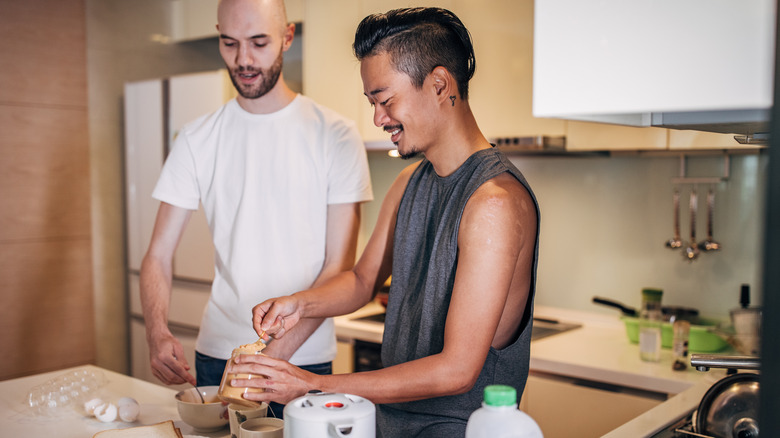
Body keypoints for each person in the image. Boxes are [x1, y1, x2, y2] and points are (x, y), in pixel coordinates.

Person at [229, 7, 540, 436]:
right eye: (372, 103)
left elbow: (457, 371)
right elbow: (362, 281)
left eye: (385, 99)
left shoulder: (494, 203)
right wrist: (300, 303)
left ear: (439, 84)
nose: (378, 118)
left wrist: (314, 384)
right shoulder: (410, 181)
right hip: (389, 425)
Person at [139, 0, 373, 417]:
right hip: (217, 356)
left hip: (304, 360)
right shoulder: (197, 138)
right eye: (229, 43)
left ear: (287, 37)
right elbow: (157, 254)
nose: (243, 60)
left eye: (258, 43)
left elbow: (340, 267)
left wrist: (266, 360)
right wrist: (157, 332)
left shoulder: (336, 135)